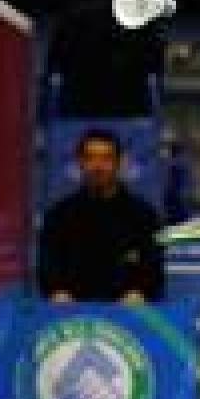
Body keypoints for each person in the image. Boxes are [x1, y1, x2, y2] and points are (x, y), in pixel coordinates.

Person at [37, 128, 165, 303]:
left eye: (106, 158)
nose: (97, 166)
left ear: (119, 163)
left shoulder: (144, 216)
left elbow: (153, 269)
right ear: (80, 163)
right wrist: (57, 291)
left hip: (128, 313)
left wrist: (140, 291)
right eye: (90, 158)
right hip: (71, 313)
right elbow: (47, 268)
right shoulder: (58, 216)